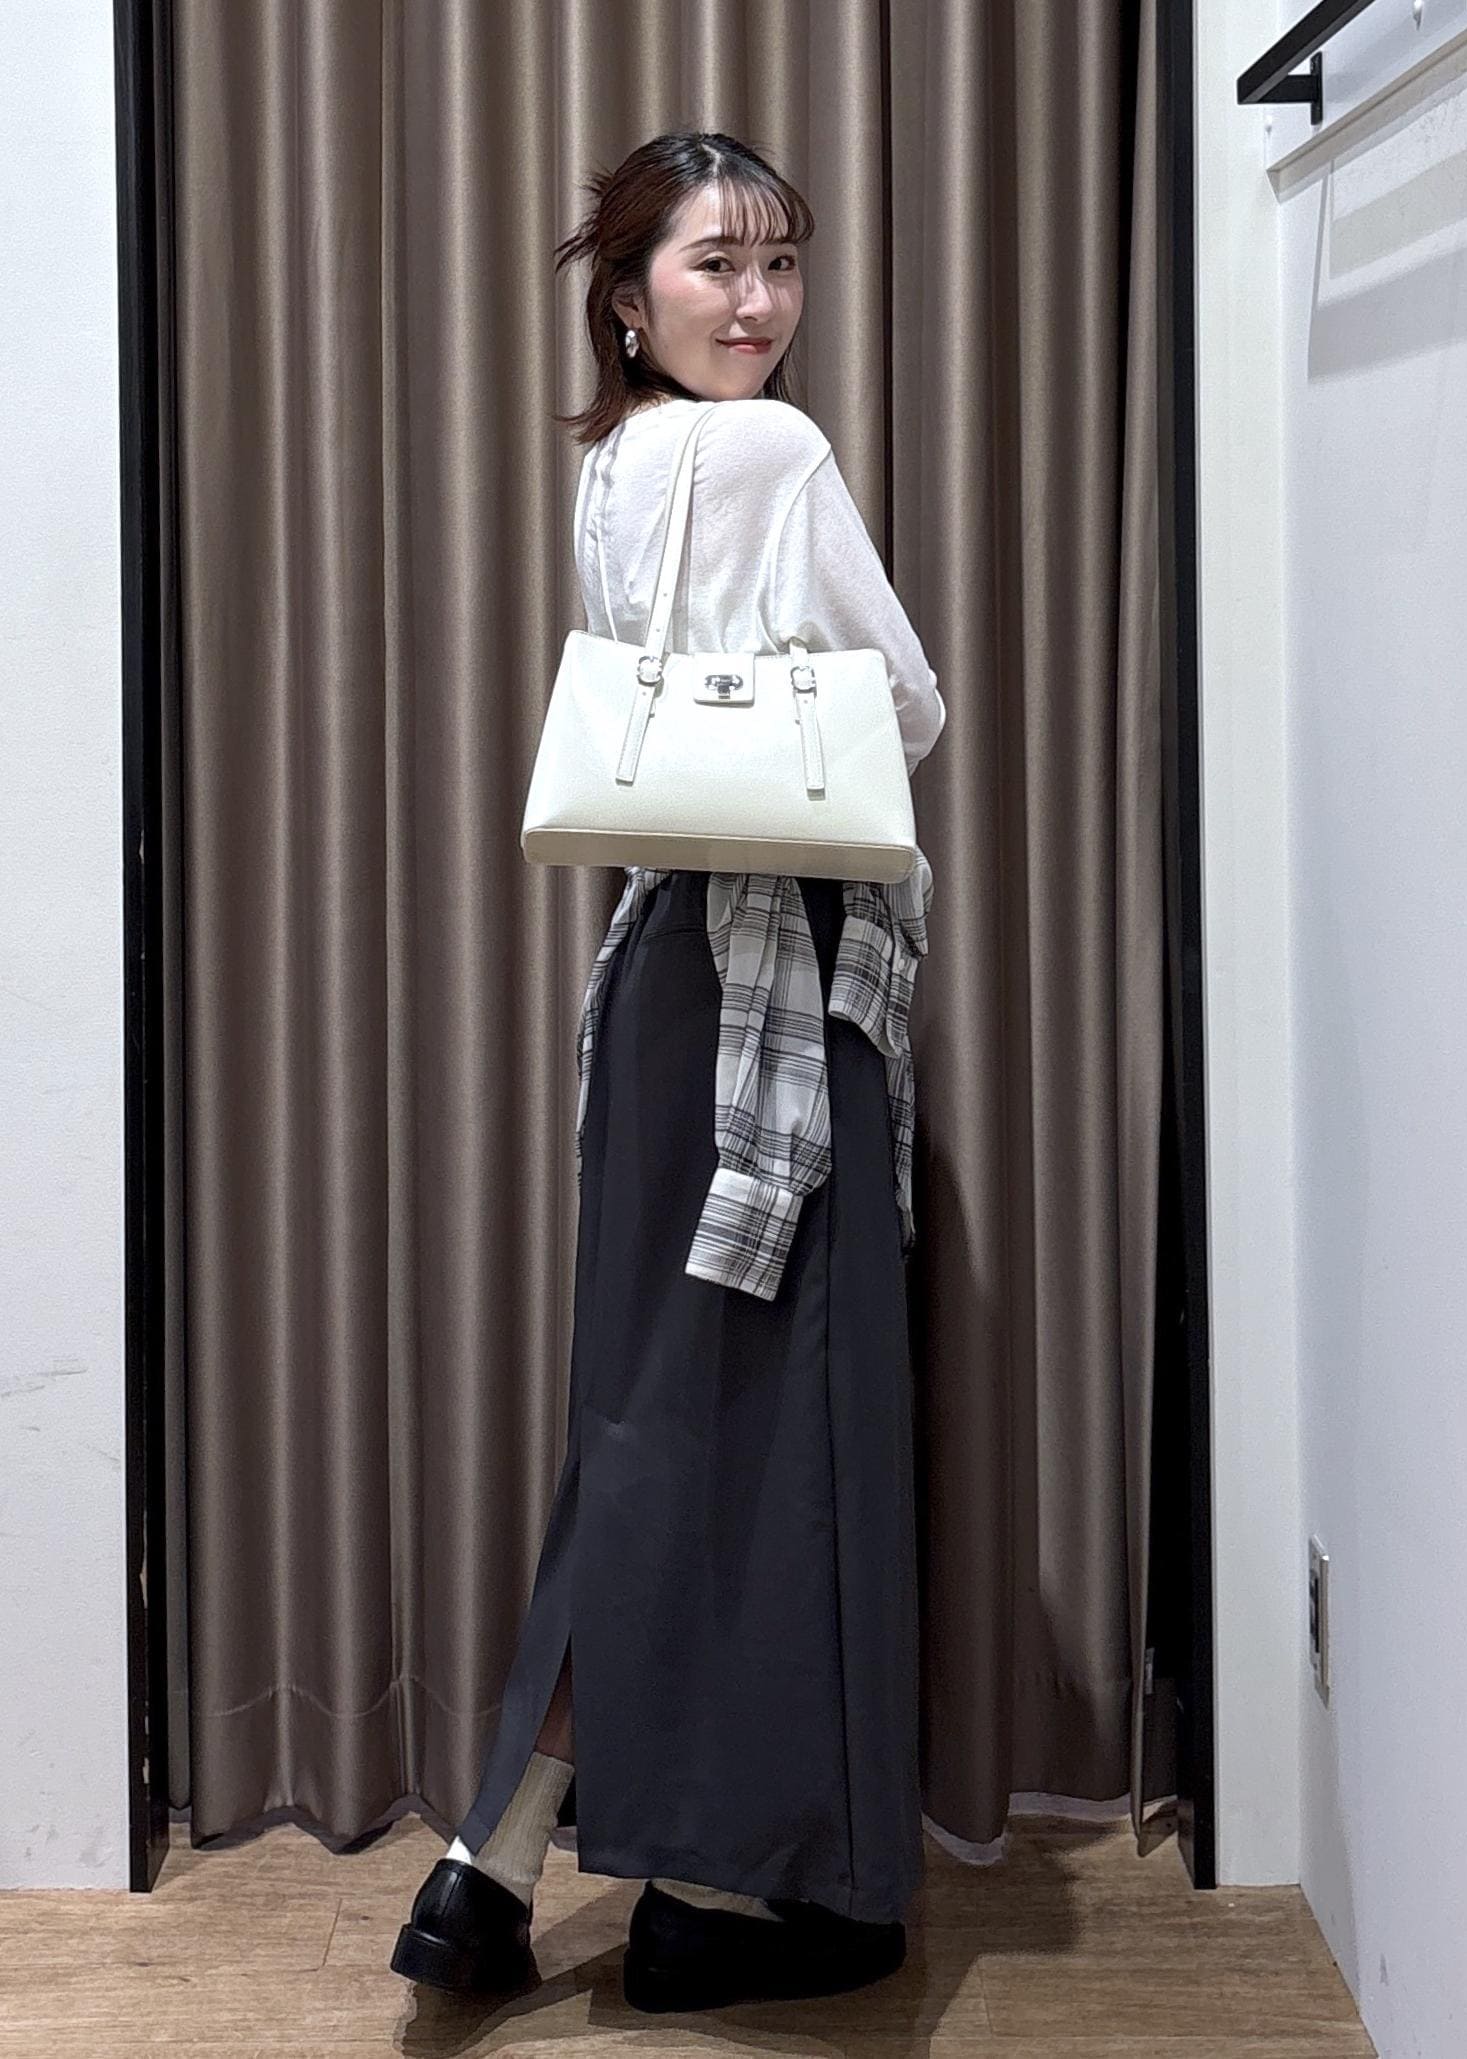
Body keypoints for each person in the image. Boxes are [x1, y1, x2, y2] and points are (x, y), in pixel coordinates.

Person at [392, 128, 946, 2015]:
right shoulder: (771, 451)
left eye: (780, 262)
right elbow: (906, 703)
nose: (759, 301)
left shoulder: (614, 464)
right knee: (775, 1437)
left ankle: (492, 1858)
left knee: (646, 1424)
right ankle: (742, 1884)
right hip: (772, 983)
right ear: (627, 297)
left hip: (653, 982)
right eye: (718, 264)